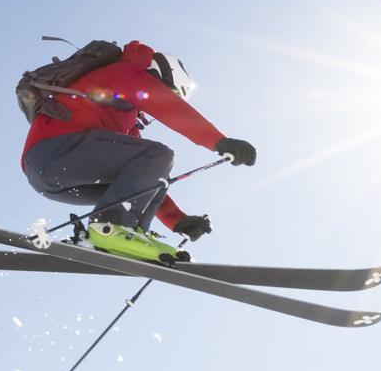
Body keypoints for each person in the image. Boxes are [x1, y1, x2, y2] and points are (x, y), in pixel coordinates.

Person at [21, 39, 256, 261]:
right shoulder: (123, 72)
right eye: (171, 91)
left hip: (55, 179)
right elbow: (168, 107)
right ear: (159, 74)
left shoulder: (126, 121)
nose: (167, 95)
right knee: (160, 155)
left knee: (153, 169)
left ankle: (129, 232)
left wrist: (177, 220)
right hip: (54, 152)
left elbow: (146, 176)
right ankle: (110, 227)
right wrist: (219, 141)